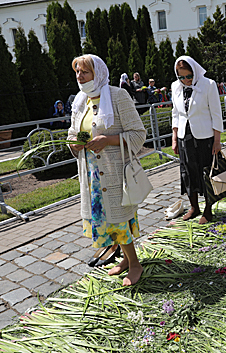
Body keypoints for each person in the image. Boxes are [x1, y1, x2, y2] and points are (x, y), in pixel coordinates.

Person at [67, 54, 146, 286]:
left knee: (120, 220)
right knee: (107, 221)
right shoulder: (80, 100)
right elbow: (75, 131)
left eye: (85, 72)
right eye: (77, 72)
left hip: (115, 172)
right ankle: (122, 260)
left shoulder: (118, 95)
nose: (80, 77)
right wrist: (76, 142)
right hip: (92, 174)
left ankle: (135, 264)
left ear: (98, 74)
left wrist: (108, 140)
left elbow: (138, 134)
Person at [171, 56, 223, 224]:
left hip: (204, 137)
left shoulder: (208, 85)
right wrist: (174, 136)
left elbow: (216, 113)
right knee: (187, 172)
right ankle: (194, 206)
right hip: (183, 137)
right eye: (181, 77)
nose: (185, 80)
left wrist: (217, 140)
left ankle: (208, 209)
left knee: (206, 172)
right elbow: (175, 113)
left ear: (195, 72)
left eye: (189, 76)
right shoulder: (175, 87)